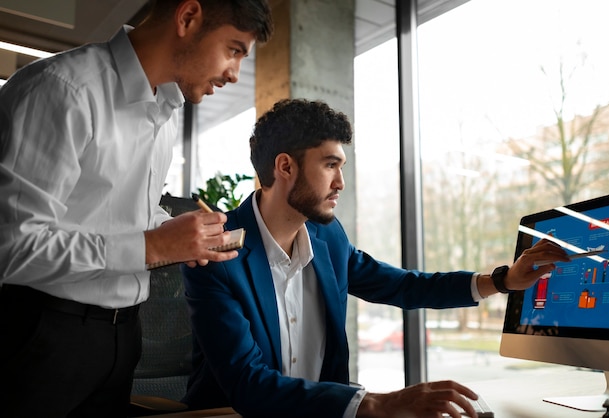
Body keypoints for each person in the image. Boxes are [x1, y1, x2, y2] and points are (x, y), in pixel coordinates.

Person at [181, 98, 570, 417]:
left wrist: (502, 280)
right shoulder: (216, 248)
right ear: (285, 166)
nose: (341, 183)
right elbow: (249, 385)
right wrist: (381, 403)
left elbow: (400, 285)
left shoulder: (328, 238)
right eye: (330, 164)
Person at [0, 1, 273, 417]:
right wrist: (154, 247)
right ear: (187, 18)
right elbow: (13, 249)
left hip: (123, 337)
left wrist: (179, 234)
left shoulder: (164, 112)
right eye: (233, 49)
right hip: (41, 334)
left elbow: (114, 216)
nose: (234, 72)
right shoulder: (63, 89)